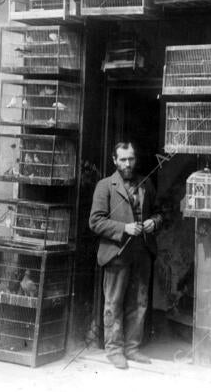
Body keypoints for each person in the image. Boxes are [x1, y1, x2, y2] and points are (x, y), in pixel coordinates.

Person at [89, 142, 163, 369]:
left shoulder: (146, 182)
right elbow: (95, 221)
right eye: (122, 160)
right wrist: (124, 228)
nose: (128, 164)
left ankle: (132, 348)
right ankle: (114, 350)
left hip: (142, 252)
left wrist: (154, 222)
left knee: (139, 302)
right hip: (117, 253)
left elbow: (160, 213)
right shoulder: (105, 186)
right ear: (114, 160)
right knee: (114, 302)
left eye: (131, 159)